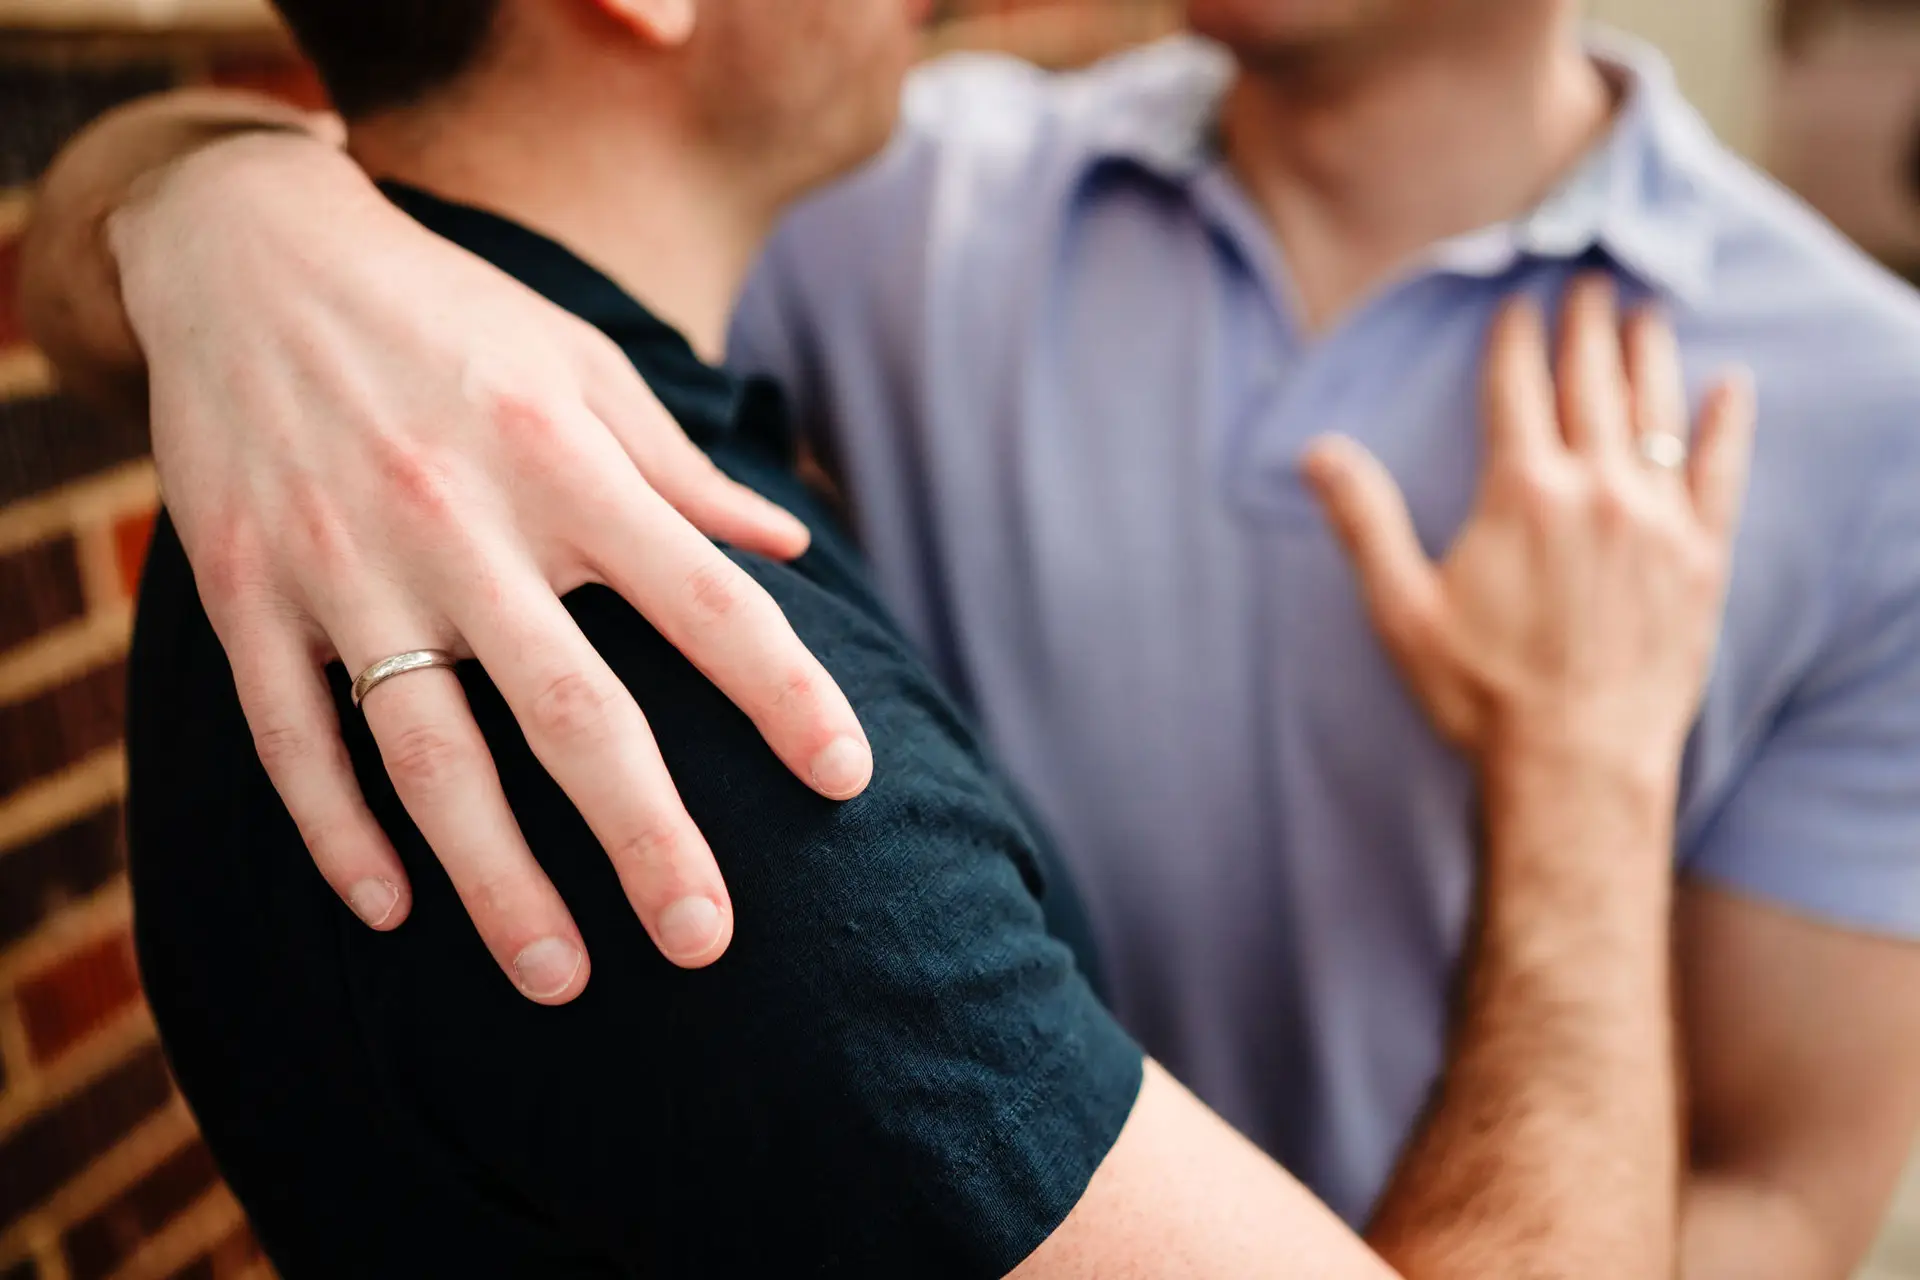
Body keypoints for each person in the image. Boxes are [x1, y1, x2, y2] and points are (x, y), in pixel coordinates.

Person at [21, 0, 1919, 1273]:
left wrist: (1585, 766)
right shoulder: (915, 187)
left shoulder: (1876, 411)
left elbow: (1782, 1186)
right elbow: (496, 140)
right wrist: (228, 208)